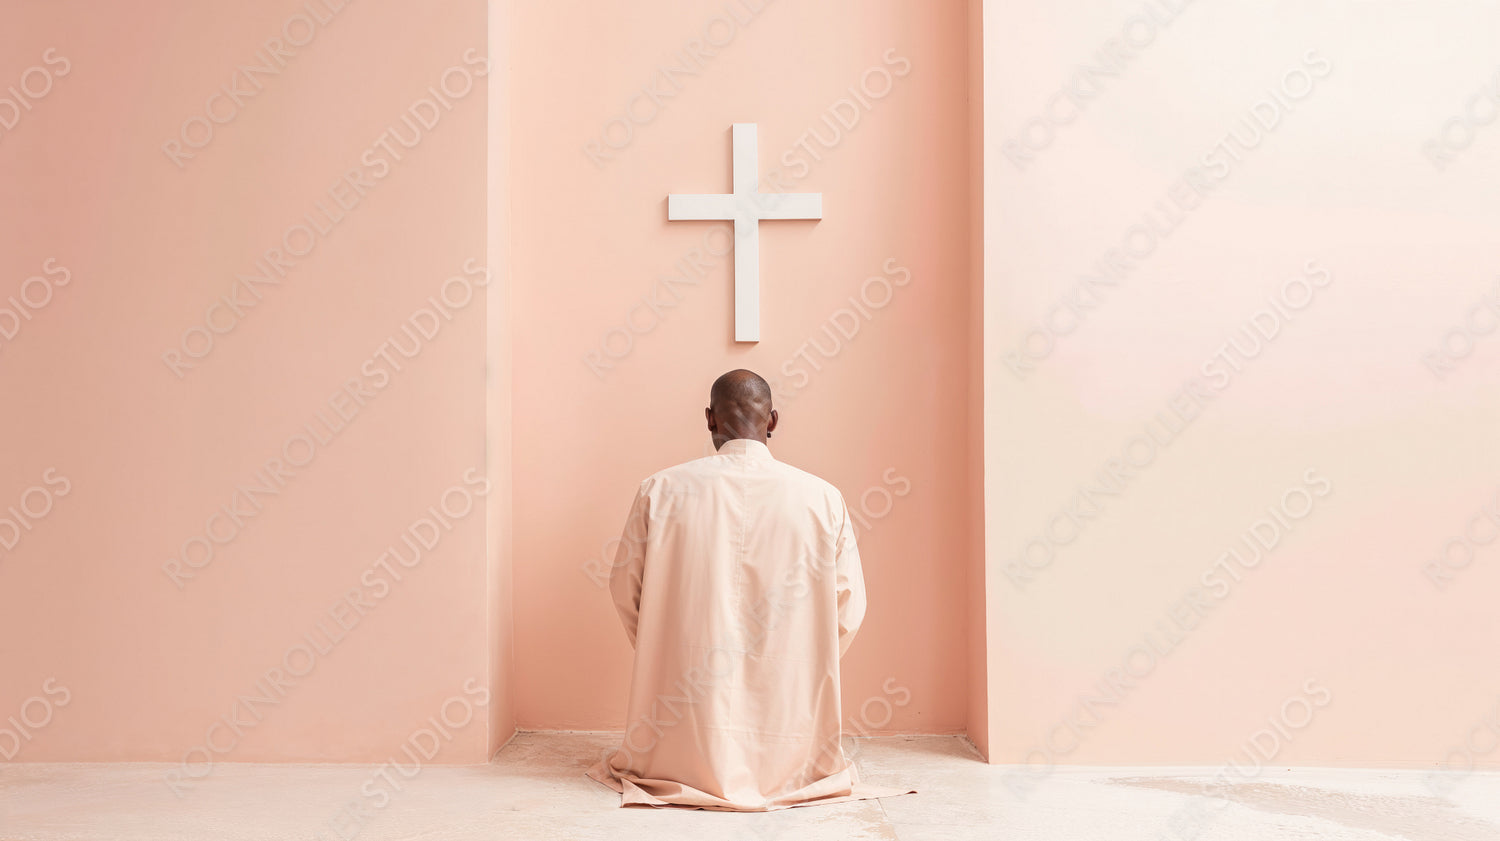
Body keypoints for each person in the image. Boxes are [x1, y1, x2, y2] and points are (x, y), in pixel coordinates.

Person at [586, 369, 914, 810]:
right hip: (790, 726)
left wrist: (662, 649)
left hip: (681, 717)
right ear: (773, 421)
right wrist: (806, 662)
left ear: (709, 419)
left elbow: (625, 589)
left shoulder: (660, 490)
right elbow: (848, 604)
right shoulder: (822, 497)